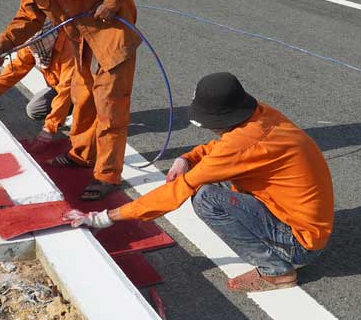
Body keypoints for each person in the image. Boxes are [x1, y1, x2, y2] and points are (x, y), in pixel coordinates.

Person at [67, 72, 335, 293]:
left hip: (300, 243)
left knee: (207, 197)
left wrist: (106, 217)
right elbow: (225, 147)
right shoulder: (262, 116)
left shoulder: (243, 143)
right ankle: (277, 251)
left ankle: (276, 271)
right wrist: (187, 157)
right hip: (305, 223)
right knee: (216, 186)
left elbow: (176, 193)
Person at [0, 0, 141, 201]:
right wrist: (0, 47)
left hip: (111, 38)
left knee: (109, 107)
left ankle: (107, 175)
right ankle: (81, 154)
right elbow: (28, 18)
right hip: (80, 42)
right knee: (83, 98)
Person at [0, 30, 75, 139]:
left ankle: (86, 115)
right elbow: (17, 68)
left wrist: (49, 128)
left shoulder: (69, 49)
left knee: (82, 123)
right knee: (35, 109)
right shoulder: (37, 41)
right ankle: (70, 111)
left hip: (80, 90)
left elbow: (66, 88)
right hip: (60, 86)